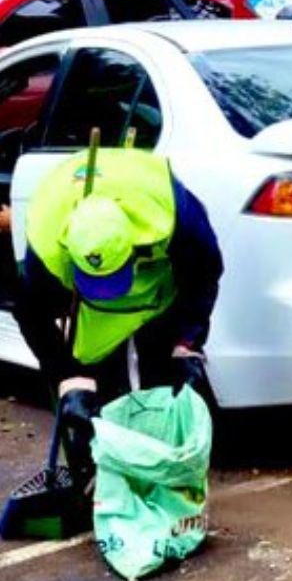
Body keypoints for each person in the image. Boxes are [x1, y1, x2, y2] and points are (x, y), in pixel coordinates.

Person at [14, 146, 223, 490]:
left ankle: (166, 481)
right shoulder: (47, 245)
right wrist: (69, 380)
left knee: (163, 380)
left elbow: (205, 274)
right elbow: (31, 314)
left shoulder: (173, 216)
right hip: (91, 313)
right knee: (93, 392)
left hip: (157, 288)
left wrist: (187, 341)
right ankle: (100, 480)